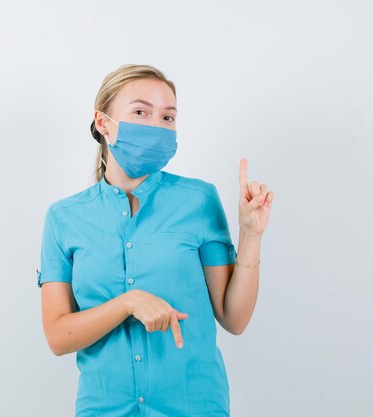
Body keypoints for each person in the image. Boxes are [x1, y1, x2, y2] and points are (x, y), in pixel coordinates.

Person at [37, 64, 275, 417]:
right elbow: (58, 336)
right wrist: (127, 303)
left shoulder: (198, 200)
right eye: (140, 112)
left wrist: (251, 236)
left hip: (195, 407)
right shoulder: (64, 218)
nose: (156, 126)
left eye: (167, 117)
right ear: (103, 124)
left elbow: (234, 318)